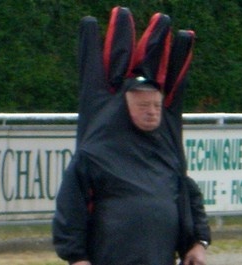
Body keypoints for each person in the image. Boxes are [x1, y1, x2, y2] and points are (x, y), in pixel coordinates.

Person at [52, 7, 211, 265]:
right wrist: (77, 257)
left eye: (156, 106)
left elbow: (187, 195)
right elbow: (71, 206)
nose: (151, 112)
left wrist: (197, 242)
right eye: (143, 106)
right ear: (125, 107)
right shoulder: (97, 152)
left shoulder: (167, 149)